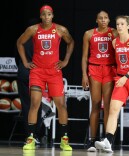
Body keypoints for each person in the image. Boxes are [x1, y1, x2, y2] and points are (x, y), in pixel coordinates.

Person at [17, 4, 74, 151]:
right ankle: (30, 138)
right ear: (41, 16)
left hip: (54, 72)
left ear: (52, 15)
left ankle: (64, 139)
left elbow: (71, 42)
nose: (46, 17)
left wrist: (66, 60)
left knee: (61, 104)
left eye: (49, 14)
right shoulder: (33, 29)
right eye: (44, 14)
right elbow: (20, 42)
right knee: (35, 103)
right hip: (38, 72)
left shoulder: (60, 30)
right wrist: (25, 62)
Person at [94, 15, 129, 154]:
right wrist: (121, 76)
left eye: (121, 24)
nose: (118, 26)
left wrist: (126, 76)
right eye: (117, 24)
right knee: (113, 109)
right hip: (121, 80)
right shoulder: (114, 42)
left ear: (128, 26)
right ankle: (108, 141)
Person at [81, 10, 117, 152]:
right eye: (100, 18)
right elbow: (84, 56)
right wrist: (84, 75)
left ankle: (107, 140)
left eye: (106, 18)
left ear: (109, 20)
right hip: (94, 69)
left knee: (108, 105)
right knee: (95, 104)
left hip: (109, 69)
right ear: (96, 20)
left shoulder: (114, 33)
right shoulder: (89, 34)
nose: (103, 20)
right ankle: (92, 140)